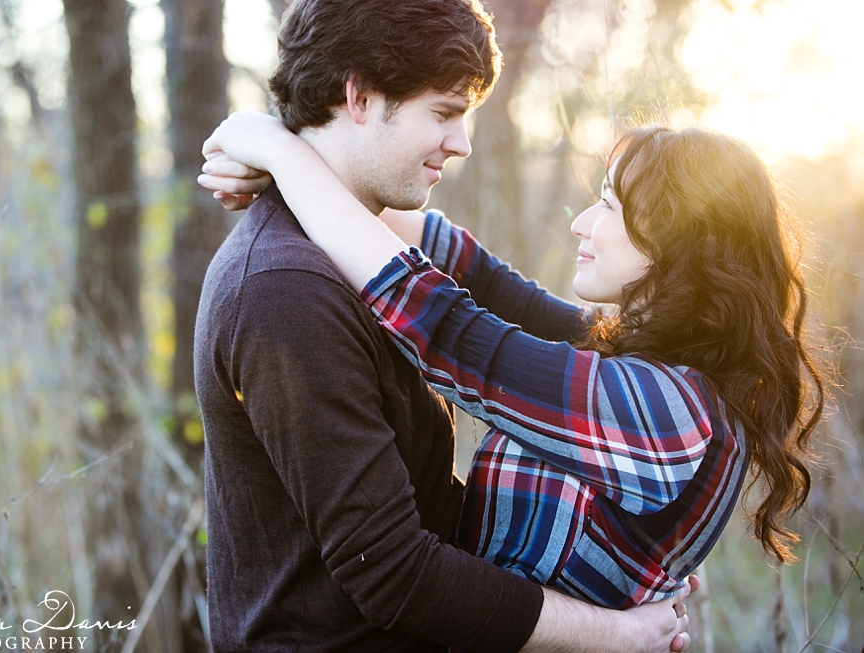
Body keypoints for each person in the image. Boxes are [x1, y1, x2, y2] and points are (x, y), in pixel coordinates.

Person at [194, 0, 694, 650]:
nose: (462, 143)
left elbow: (531, 315)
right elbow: (396, 575)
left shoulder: (361, 248)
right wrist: (615, 634)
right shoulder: (285, 290)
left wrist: (616, 559)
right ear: (360, 96)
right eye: (443, 113)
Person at [200, 115, 824, 611]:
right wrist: (301, 171)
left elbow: (449, 330)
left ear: (677, 239)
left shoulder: (661, 410)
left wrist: (281, 152)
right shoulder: (651, 370)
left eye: (609, 205)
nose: (582, 223)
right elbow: (483, 277)